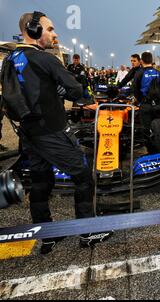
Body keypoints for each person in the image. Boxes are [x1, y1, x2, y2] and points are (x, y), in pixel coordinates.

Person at [8, 12, 112, 254]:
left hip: (28, 133)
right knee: (84, 176)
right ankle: (88, 232)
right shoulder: (45, 59)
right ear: (33, 30)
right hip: (52, 132)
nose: (55, 35)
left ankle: (46, 235)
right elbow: (74, 88)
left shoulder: (10, 59)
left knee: (40, 181)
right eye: (50, 29)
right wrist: (88, 101)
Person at [133, 52, 160, 128]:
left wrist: (141, 101)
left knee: (146, 129)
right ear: (152, 60)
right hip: (158, 105)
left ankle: (147, 139)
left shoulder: (139, 73)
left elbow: (135, 90)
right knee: (158, 128)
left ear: (141, 61)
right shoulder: (159, 73)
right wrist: (159, 100)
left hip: (145, 105)